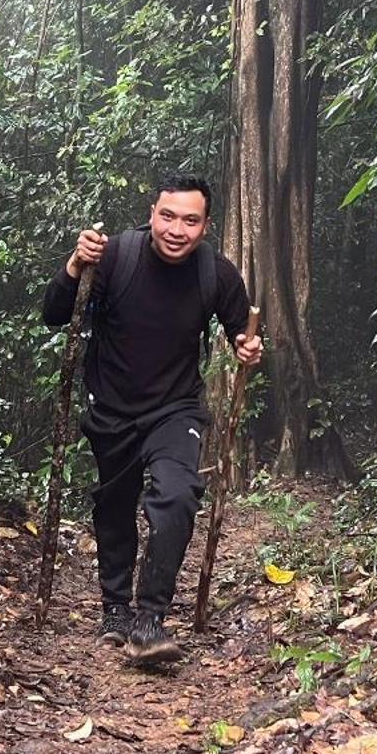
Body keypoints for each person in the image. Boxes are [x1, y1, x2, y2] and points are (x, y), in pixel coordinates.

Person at [41, 175, 263, 666]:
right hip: (112, 407)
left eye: (190, 220)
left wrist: (248, 347)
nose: (177, 229)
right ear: (152, 213)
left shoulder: (216, 274)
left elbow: (238, 333)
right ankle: (115, 609)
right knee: (115, 505)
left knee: (178, 496)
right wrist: (76, 265)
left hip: (174, 408)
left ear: (206, 226)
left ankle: (150, 618)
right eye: (168, 216)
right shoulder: (117, 256)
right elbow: (54, 314)